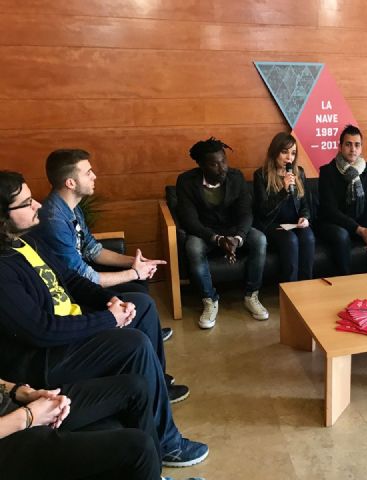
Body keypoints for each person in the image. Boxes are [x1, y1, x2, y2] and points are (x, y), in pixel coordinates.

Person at [0, 171, 208, 467]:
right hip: (43, 357)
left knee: (140, 304)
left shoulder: (28, 240)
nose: (37, 205)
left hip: (68, 328)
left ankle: (158, 386)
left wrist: (109, 301)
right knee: (133, 344)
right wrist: (108, 319)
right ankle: (167, 443)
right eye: (26, 203)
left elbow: (71, 279)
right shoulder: (3, 268)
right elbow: (41, 330)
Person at [33, 149, 173, 342]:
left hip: (81, 273)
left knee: (139, 284)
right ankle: (143, 333)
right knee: (139, 292)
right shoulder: (54, 220)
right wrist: (134, 272)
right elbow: (83, 276)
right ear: (71, 183)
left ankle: (147, 330)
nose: (94, 176)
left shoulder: (72, 207)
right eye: (88, 173)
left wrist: (135, 263)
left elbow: (92, 249)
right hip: (71, 288)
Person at [177, 137, 268, 329]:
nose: (222, 168)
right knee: (193, 247)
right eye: (214, 164)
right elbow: (190, 221)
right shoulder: (186, 182)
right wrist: (216, 239)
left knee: (259, 239)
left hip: (233, 230)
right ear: (201, 165)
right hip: (205, 233)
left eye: (224, 161)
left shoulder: (236, 177)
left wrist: (238, 238)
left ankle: (251, 295)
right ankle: (209, 300)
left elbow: (246, 213)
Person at [0, 374, 162, 479]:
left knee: (134, 388)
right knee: (139, 447)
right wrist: (28, 416)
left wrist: (23, 392)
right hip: (8, 434)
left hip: (15, 410)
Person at [317, 124, 367, 275]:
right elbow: (330, 211)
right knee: (342, 235)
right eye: (348, 144)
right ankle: (346, 280)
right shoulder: (327, 171)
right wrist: (359, 230)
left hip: (361, 222)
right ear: (340, 147)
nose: (353, 149)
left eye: (357, 145)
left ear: (361, 148)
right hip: (333, 223)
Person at [253, 132, 315, 282]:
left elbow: (305, 204)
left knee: (308, 237)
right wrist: (283, 191)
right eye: (284, 152)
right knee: (290, 240)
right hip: (272, 224)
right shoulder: (261, 175)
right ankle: (290, 289)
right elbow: (263, 210)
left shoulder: (299, 173)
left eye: (293, 153)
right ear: (275, 152)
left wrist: (305, 217)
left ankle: (307, 285)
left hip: (294, 224)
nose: (289, 158)